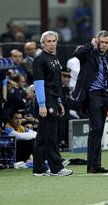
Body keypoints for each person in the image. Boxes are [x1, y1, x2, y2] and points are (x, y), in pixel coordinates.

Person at [32, 30, 73, 176]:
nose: (51, 44)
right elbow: (38, 83)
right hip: (46, 100)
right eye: (48, 41)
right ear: (42, 43)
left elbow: (56, 83)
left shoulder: (54, 58)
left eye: (53, 41)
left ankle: (39, 168)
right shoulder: (40, 59)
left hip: (53, 99)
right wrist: (42, 104)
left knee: (42, 135)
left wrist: (59, 101)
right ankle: (57, 168)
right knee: (51, 135)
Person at [72, 30, 108, 173]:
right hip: (93, 95)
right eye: (101, 42)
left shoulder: (106, 57)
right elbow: (77, 53)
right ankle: (94, 165)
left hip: (104, 95)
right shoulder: (88, 53)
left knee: (99, 130)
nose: (103, 45)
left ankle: (94, 165)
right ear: (97, 41)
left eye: (106, 43)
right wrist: (91, 44)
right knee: (95, 129)